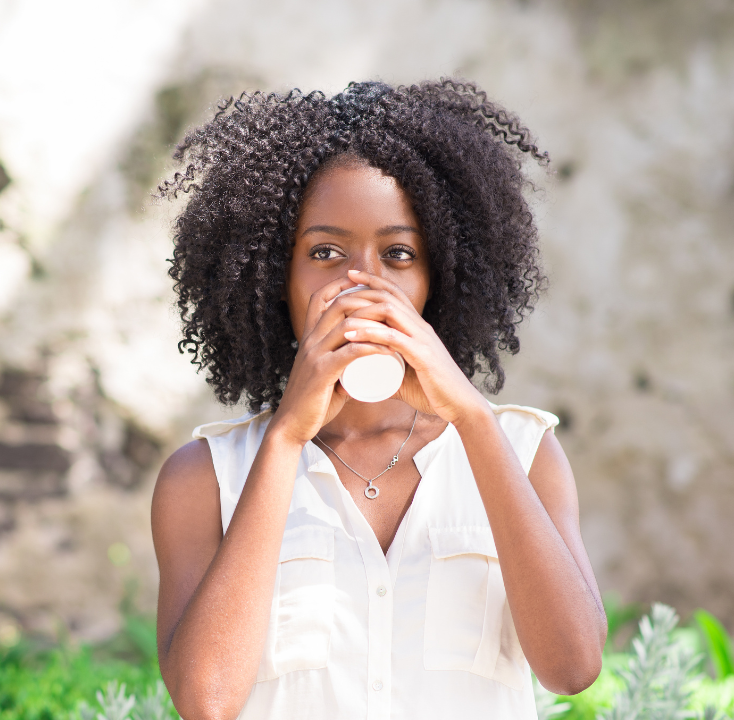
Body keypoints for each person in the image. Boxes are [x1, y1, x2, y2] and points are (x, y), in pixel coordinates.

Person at [150, 80, 606, 720]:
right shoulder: (205, 479)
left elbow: (573, 667)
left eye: (397, 254)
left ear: (437, 277)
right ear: (274, 276)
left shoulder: (526, 455)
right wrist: (284, 440)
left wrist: (472, 419)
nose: (360, 284)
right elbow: (206, 701)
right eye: (325, 252)